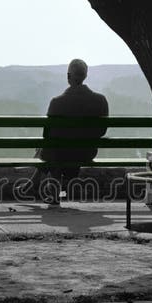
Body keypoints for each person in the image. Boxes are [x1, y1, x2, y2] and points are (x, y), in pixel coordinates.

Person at [37, 59, 109, 204]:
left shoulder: (56, 102)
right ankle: (32, 186)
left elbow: (47, 135)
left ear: (68, 76)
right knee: (52, 148)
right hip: (86, 152)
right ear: (85, 76)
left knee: (50, 148)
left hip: (59, 153)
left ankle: (47, 191)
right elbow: (102, 130)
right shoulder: (100, 100)